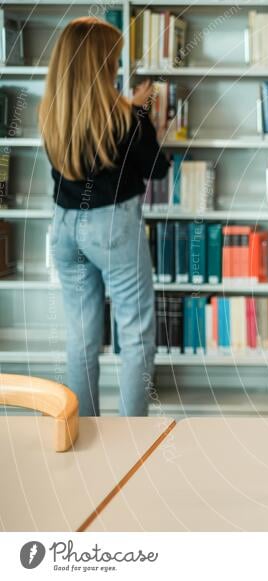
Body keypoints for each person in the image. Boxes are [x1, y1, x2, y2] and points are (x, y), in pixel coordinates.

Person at [39, 17, 169, 416]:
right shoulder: (128, 118)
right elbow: (157, 169)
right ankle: (131, 435)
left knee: (80, 338)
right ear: (102, 63)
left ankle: (83, 428)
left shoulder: (51, 112)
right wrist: (151, 121)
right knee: (136, 335)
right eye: (112, 58)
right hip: (113, 226)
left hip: (64, 227)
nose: (116, 66)